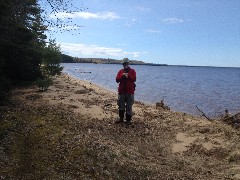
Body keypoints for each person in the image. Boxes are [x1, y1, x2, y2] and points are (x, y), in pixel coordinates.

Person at [115, 58, 136, 125]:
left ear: (128, 63)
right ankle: (121, 119)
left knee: (129, 106)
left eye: (126, 63)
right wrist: (122, 76)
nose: (125, 64)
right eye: (124, 63)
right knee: (121, 105)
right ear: (123, 64)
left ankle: (128, 121)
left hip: (130, 92)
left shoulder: (132, 71)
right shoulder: (120, 71)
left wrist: (128, 75)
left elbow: (134, 79)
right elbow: (117, 80)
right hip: (121, 92)